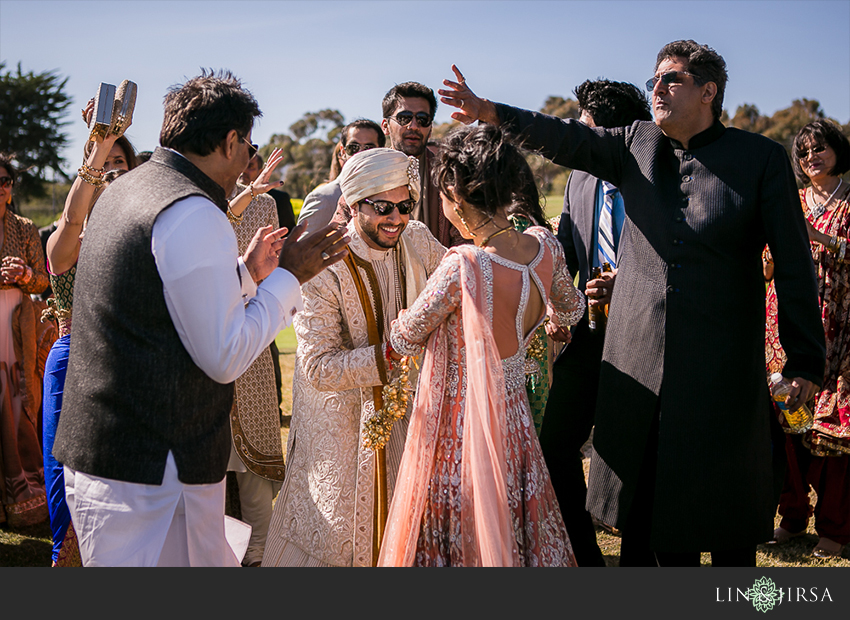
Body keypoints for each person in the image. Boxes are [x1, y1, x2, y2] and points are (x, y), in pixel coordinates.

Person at [438, 39, 826, 567]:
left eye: (671, 79)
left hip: (723, 370)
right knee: (656, 523)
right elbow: (566, 138)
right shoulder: (635, 146)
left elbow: (795, 263)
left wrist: (804, 359)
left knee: (730, 525)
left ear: (708, 90)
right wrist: (491, 113)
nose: (657, 90)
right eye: (654, 80)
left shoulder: (759, 159)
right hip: (641, 367)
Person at [51, 70, 350, 567]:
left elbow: (157, 299)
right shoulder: (192, 209)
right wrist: (290, 276)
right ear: (231, 141)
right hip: (153, 478)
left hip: (108, 460)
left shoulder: (128, 188)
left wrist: (247, 275)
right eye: (249, 147)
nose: (249, 162)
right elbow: (223, 354)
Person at [377, 124, 584, 567]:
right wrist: (542, 322)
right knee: (515, 511)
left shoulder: (465, 266)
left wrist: (397, 317)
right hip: (514, 413)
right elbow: (570, 311)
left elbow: (405, 337)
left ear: (456, 198)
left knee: (464, 522)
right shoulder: (544, 248)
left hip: (462, 419)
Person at [262, 148, 446, 567]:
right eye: (382, 207)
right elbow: (317, 367)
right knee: (338, 544)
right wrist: (393, 351)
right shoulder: (323, 261)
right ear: (353, 203)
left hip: (406, 418)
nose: (396, 218)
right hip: (342, 433)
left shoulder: (415, 237)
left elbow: (457, 279)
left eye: (404, 205)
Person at [540, 79, 652, 567]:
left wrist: (627, 286)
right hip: (587, 334)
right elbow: (567, 249)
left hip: (647, 339)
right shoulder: (579, 180)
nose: (577, 140)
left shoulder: (659, 178)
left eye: (584, 128)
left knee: (634, 458)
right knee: (553, 445)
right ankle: (586, 558)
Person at [42, 96, 139, 566]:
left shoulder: (144, 234)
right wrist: (98, 149)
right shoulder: (68, 236)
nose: (112, 172)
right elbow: (70, 231)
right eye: (106, 165)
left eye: (122, 163)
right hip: (72, 362)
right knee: (65, 483)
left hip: (127, 369)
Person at [765, 119, 850, 559]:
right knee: (787, 425)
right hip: (784, 327)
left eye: (819, 148)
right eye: (803, 152)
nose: (810, 157)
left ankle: (835, 526)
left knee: (832, 431)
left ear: (837, 149)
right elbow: (766, 261)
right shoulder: (790, 200)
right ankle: (792, 515)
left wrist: (818, 239)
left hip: (839, 329)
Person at [222, 148, 289, 566]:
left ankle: (260, 554)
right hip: (203, 339)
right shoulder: (197, 198)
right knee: (207, 469)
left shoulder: (266, 205)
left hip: (253, 341)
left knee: (256, 469)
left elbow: (274, 267)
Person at [0, 153, 51, 530]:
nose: (1, 186)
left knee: (18, 401)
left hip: (18, 326)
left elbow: (43, 283)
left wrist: (26, 273)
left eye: (5, 180)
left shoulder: (25, 227)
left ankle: (24, 492)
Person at [382, 82, 466, 247]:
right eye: (404, 118)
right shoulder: (367, 172)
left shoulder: (450, 175)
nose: (413, 126)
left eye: (422, 119)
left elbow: (464, 238)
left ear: (431, 127)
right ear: (385, 126)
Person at [297, 119, 385, 230]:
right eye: (353, 148)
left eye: (368, 149)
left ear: (380, 152)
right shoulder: (323, 198)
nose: (360, 154)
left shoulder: (390, 194)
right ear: (343, 152)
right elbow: (303, 246)